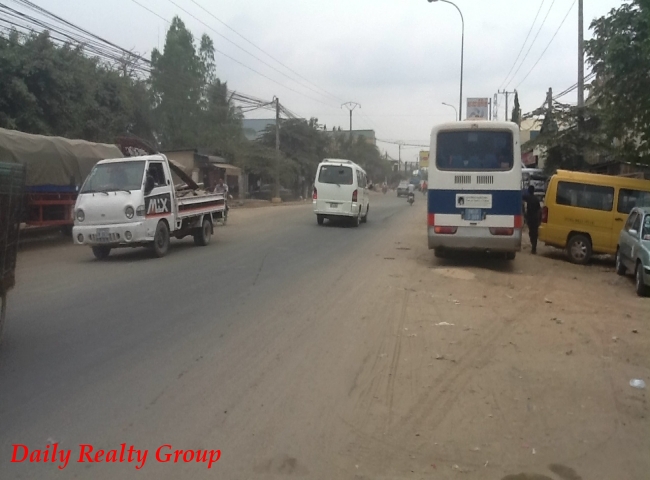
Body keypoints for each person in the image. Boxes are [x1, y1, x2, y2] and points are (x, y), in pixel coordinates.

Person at [523, 185, 542, 254]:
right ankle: (534, 247)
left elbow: (522, 197)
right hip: (535, 218)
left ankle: (533, 246)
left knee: (531, 233)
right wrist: (539, 219)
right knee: (535, 233)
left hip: (530, 218)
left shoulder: (528, 198)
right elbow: (539, 210)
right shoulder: (536, 199)